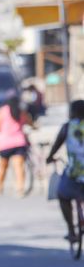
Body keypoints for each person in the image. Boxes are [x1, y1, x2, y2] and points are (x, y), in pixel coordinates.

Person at [46, 99, 84, 240]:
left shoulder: (68, 127)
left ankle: (71, 231)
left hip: (75, 173)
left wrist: (49, 158)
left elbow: (56, 146)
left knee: (62, 195)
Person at [0, 92, 33, 197]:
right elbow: (29, 121)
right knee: (19, 167)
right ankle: (20, 189)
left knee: (3, 167)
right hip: (19, 142)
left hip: (4, 143)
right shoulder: (21, 111)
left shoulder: (2, 111)